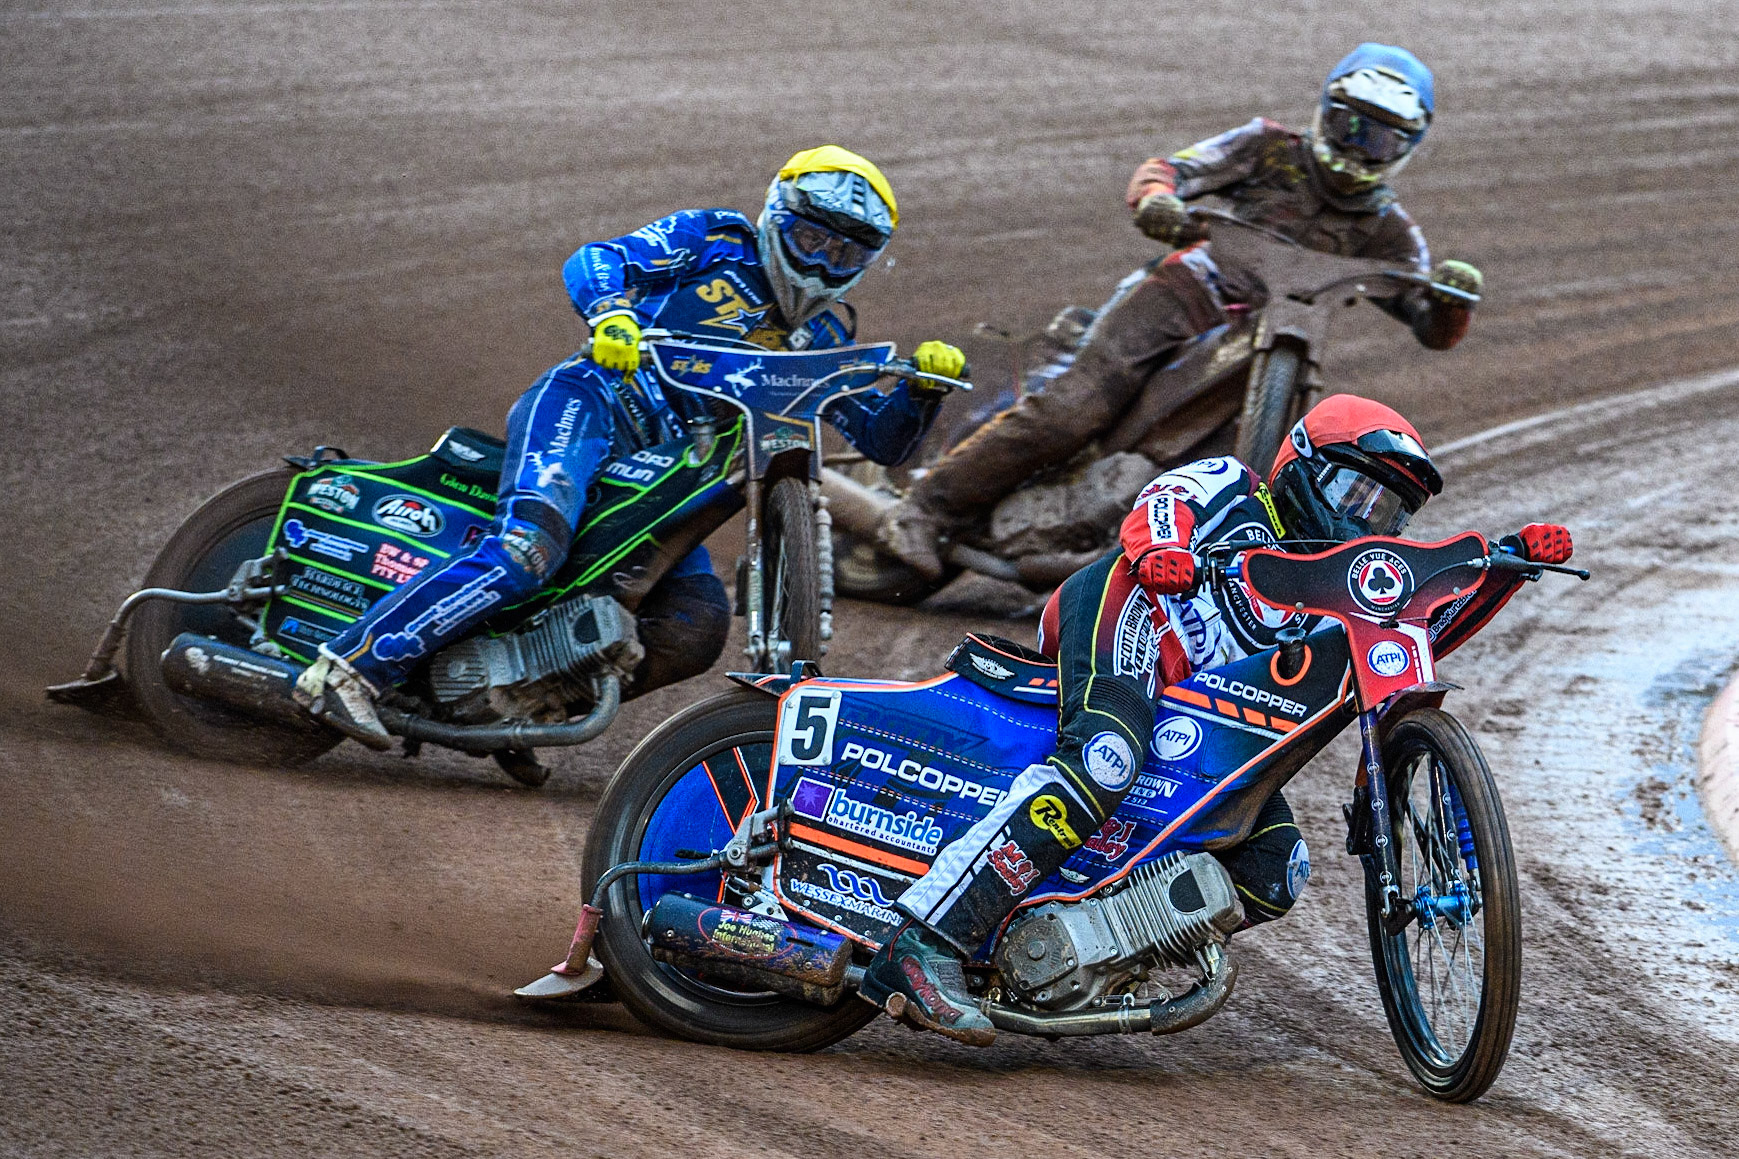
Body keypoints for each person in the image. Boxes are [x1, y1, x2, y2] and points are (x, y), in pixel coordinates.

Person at [859, 394, 1574, 1044]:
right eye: (1352, 491)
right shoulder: (1234, 486)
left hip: (1200, 708)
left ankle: (1080, 952)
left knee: (1273, 867)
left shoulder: (1333, 586)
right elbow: (1162, 502)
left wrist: (1504, 570)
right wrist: (1164, 552)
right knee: (1105, 757)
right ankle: (922, 941)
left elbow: (1419, 632)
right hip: (1135, 609)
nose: (1364, 519)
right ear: (1300, 465)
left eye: (1386, 512)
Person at [294, 146, 967, 749]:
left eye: (844, 253)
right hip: (593, 403)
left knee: (694, 623)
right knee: (527, 549)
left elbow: (881, 439)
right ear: (773, 216)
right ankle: (349, 666)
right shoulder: (713, 239)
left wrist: (922, 390)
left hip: (669, 473)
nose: (821, 263)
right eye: (809, 237)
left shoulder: (819, 340)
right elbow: (598, 259)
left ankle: (527, 704)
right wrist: (612, 313)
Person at [877, 43, 1483, 581]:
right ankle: (927, 509)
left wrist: (1453, 301)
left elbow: (1430, 323)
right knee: (1075, 406)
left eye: (1375, 135)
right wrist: (1158, 200)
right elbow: (1170, 168)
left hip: (1279, 350)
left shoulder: (1393, 235)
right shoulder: (1270, 148)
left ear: (1405, 147)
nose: (1355, 143)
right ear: (1325, 111)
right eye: (1347, 123)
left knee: (1251, 471)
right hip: (1183, 295)